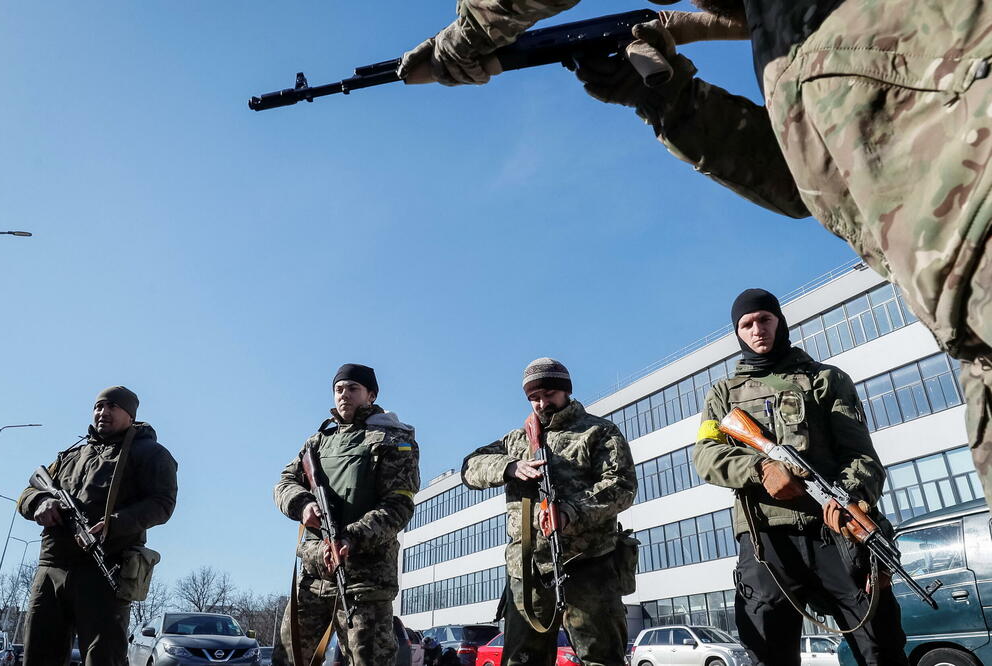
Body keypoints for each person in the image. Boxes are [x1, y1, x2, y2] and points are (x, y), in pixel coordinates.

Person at [398, 0, 992, 512]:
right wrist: (667, 98)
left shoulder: (818, 381)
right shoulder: (783, 30)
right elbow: (807, 182)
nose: (540, 398)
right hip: (966, 331)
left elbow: (853, 449)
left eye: (547, 388)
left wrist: (470, 39)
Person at [693, 289, 907, 666]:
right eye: (747, 324)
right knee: (769, 650)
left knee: (880, 645)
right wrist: (760, 469)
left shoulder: (826, 380)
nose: (757, 329)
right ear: (737, 333)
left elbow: (860, 455)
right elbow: (706, 456)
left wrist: (853, 497)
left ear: (780, 321)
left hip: (835, 529)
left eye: (765, 319)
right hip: (766, 539)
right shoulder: (722, 394)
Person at [460, 358, 636, 666]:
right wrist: (509, 466)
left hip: (589, 565)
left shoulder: (598, 431)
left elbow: (621, 486)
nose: (542, 403)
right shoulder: (516, 440)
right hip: (528, 571)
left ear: (566, 391)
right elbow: (469, 468)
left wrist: (570, 512)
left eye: (550, 394)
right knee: (522, 660)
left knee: (602, 658)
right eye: (534, 397)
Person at [17, 386, 178, 666]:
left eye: (112, 406)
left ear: (130, 415)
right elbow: (27, 492)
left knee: (104, 657)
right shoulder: (72, 455)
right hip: (52, 566)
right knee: (38, 655)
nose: (102, 412)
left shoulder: (150, 454)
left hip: (105, 567)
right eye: (98, 407)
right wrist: (40, 502)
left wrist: (113, 524)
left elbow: (162, 503)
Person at [272, 363, 420, 666]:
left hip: (366, 579)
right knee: (288, 657)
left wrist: (351, 538)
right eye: (339, 389)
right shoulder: (317, 442)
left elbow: (398, 506)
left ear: (371, 394)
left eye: (353, 389)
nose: (344, 395)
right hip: (314, 573)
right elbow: (284, 483)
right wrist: (303, 505)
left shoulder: (394, 440)